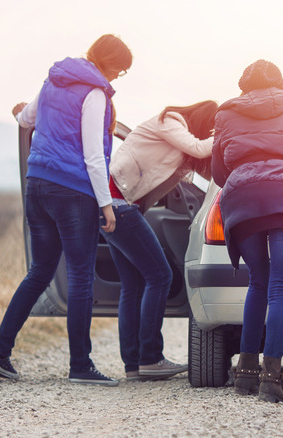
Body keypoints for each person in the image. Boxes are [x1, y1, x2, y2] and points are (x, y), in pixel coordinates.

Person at [0, 34, 132, 386]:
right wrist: (106, 204)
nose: (116, 79)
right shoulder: (94, 94)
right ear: (109, 64)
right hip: (73, 191)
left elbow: (25, 119)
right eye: (119, 71)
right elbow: (94, 156)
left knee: (39, 272)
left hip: (37, 184)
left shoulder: (53, 81)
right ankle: (80, 365)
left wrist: (18, 111)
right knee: (81, 276)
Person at [212, 60, 283, 403]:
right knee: (279, 286)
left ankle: (245, 374)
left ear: (243, 85)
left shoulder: (225, 112)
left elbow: (219, 170)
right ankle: (271, 379)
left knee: (257, 282)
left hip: (241, 197)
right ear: (279, 83)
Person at [104, 100, 218, 380]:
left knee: (134, 284)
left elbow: (209, 170)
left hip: (115, 206)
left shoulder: (179, 145)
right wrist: (228, 130)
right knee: (160, 276)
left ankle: (134, 365)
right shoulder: (170, 121)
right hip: (118, 205)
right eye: (213, 125)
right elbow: (201, 147)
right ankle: (151, 358)